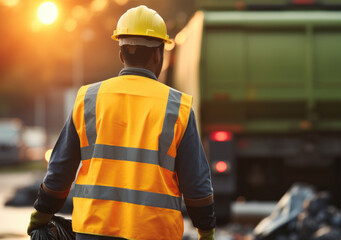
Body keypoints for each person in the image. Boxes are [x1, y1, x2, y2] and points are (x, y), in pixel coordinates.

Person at [27, 5, 216, 240]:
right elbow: (197, 186)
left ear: (121, 54)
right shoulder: (178, 107)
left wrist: (41, 215)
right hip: (156, 233)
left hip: (93, 232)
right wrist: (205, 231)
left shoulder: (88, 99)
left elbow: (59, 172)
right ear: (159, 54)